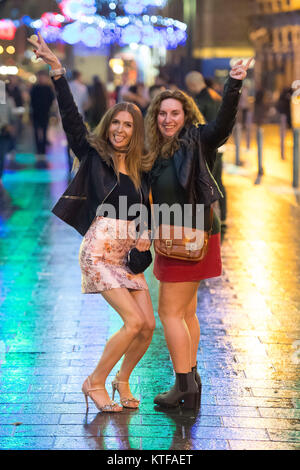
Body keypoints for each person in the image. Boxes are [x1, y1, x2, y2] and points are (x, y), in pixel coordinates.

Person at [28, 33, 155, 413]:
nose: (120, 130)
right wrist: (57, 71)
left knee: (148, 327)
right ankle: (94, 381)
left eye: (128, 125)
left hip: (127, 254)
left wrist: (146, 231)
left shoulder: (139, 166)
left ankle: (121, 379)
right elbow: (70, 116)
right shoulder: (93, 153)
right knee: (133, 322)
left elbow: (142, 208)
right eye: (115, 123)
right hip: (99, 253)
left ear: (135, 132)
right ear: (108, 125)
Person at [144, 59, 252, 408]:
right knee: (186, 313)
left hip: (189, 238)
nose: (168, 119)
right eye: (162, 114)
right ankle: (190, 379)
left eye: (174, 113)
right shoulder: (157, 148)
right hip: (178, 238)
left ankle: (183, 388)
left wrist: (233, 84)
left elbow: (222, 126)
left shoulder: (197, 139)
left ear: (186, 115)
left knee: (170, 314)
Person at [185, 70, 227, 233]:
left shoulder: (200, 101)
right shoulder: (216, 96)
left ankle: (211, 221)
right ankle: (222, 216)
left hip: (206, 148)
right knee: (218, 182)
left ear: (193, 85)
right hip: (220, 146)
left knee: (207, 183)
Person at [30, 70, 55, 168]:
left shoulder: (48, 88)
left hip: (45, 114)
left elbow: (51, 99)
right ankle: (38, 150)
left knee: (44, 131)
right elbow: (32, 101)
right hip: (36, 114)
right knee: (36, 132)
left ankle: (43, 150)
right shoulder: (35, 88)